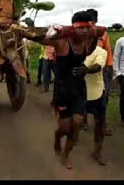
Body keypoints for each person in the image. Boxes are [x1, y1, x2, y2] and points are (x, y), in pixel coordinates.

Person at [39, 11, 105, 169]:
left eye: (88, 28)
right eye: (81, 28)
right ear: (73, 28)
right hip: (62, 90)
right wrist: (22, 33)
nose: (85, 32)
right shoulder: (61, 42)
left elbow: (91, 51)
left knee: (77, 123)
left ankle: (65, 155)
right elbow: (40, 38)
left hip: (79, 90)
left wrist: (95, 35)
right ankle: (57, 138)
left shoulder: (88, 43)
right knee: (64, 128)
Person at [85, 9, 113, 136]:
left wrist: (109, 68)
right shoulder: (82, 33)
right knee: (84, 93)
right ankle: (84, 121)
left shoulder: (103, 33)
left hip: (101, 68)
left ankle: (101, 123)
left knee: (103, 96)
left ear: (96, 20)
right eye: (88, 20)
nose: (90, 23)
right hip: (85, 67)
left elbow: (107, 50)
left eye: (93, 20)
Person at [84, 39, 108, 165]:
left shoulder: (101, 52)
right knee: (73, 123)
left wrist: (85, 70)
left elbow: (98, 67)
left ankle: (97, 152)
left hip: (96, 93)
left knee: (100, 124)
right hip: (79, 94)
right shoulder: (74, 52)